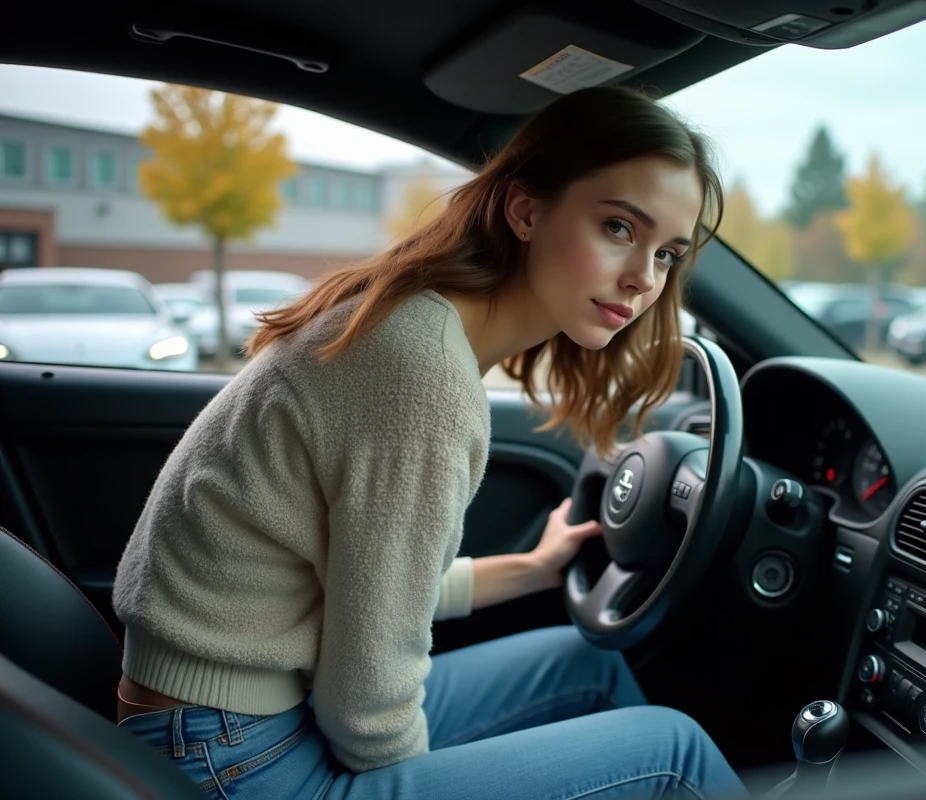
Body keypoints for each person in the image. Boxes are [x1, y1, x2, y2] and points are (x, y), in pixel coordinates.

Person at [111, 85, 745, 800]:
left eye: (668, 254)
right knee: (676, 752)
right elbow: (367, 703)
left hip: (220, 717)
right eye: (620, 229)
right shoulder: (423, 376)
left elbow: (373, 591)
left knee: (587, 664)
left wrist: (535, 569)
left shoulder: (417, 328)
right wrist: (425, 780)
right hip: (234, 757)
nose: (643, 280)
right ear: (527, 210)